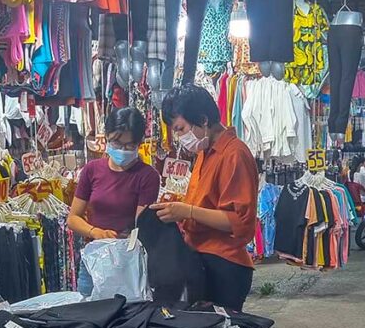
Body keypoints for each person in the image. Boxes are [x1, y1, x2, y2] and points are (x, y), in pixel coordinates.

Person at [152, 84, 258, 311]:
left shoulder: (234, 154)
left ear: (202, 120)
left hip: (224, 264)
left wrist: (187, 211)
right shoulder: (204, 153)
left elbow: (240, 222)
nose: (179, 137)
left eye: (180, 129)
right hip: (200, 258)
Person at [68, 107, 161, 296]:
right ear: (107, 137)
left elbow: (140, 226)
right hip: (93, 260)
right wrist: (96, 232)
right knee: (86, 316)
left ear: (138, 144)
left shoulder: (147, 176)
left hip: (127, 263)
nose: (123, 150)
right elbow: (73, 218)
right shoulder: (91, 170)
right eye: (117, 143)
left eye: (129, 145)